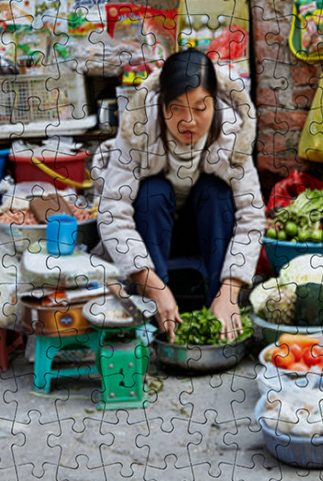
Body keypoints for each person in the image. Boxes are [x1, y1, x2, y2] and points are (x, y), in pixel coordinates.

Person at [93, 50, 265, 342]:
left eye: (200, 108)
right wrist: (154, 288)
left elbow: (251, 216)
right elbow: (113, 211)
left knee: (216, 192)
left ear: (216, 101)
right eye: (177, 108)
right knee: (151, 193)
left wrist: (231, 290)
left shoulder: (234, 133)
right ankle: (154, 309)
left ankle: (220, 312)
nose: (189, 122)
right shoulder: (137, 128)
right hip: (151, 235)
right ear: (161, 105)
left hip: (205, 232)